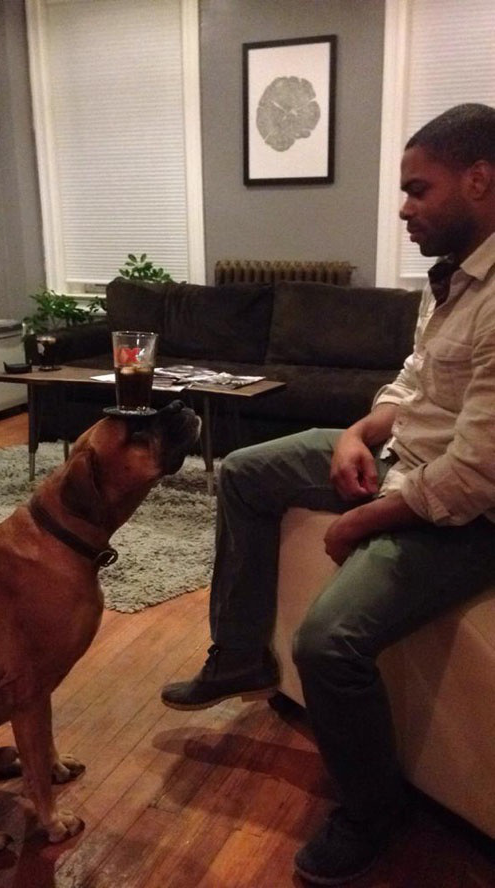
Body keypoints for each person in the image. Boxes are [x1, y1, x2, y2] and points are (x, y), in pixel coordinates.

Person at [161, 103, 495, 885]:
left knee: (326, 643)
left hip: (468, 516)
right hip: (403, 458)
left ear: (479, 182)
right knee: (245, 471)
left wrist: (362, 523)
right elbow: (412, 386)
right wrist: (356, 432)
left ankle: (372, 811)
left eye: (418, 189)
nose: (404, 208)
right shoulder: (452, 276)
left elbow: (476, 474)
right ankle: (240, 655)